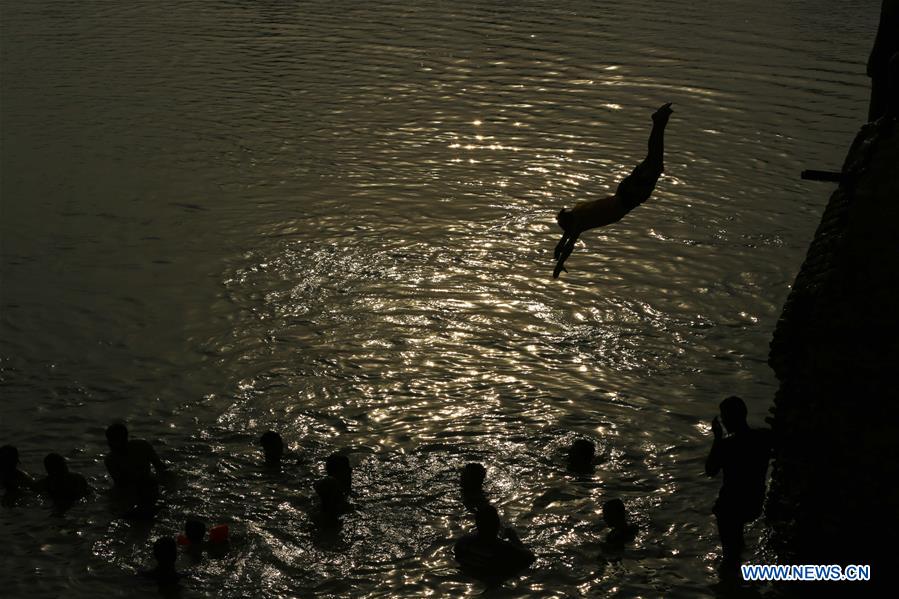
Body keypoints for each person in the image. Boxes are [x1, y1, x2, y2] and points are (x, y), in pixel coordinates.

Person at [553, 102, 674, 278]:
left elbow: (568, 244)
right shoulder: (578, 214)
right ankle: (659, 122)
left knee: (655, 162)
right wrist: (559, 251)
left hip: (630, 196)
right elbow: (564, 242)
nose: (567, 232)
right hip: (624, 192)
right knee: (653, 159)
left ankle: (658, 122)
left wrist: (559, 265)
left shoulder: (578, 224)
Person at [705, 396, 772, 564]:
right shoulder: (763, 437)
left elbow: (710, 470)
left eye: (724, 417)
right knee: (737, 543)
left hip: (731, 504)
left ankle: (731, 581)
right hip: (754, 501)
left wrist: (717, 439)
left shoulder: (728, 445)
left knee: (730, 553)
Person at [453, 504, 535, 579]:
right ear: (497, 524)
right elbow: (530, 558)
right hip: (494, 577)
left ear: (477, 524)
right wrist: (514, 538)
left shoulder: (462, 543)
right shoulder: (505, 549)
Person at [104, 422, 167, 489]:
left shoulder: (141, 446)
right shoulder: (110, 459)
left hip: (147, 485)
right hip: (140, 487)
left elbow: (159, 466)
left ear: (124, 439)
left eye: (113, 441)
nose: (109, 444)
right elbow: (120, 483)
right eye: (109, 440)